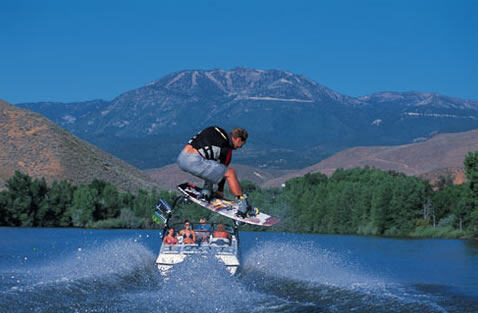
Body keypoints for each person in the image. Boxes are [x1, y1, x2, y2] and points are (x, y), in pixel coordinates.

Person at [177, 126, 254, 217]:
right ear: (238, 140)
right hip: (193, 161)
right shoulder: (226, 148)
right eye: (241, 144)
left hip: (182, 158)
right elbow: (223, 170)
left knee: (212, 165)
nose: (240, 147)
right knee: (230, 173)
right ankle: (243, 206)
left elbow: (215, 169)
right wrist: (220, 191)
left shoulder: (216, 130)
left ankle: (206, 193)